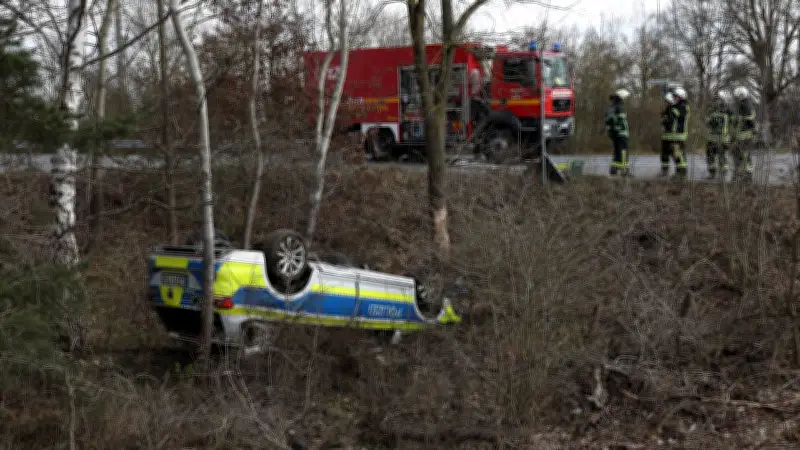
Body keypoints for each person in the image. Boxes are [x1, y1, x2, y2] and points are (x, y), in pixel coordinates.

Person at [660, 88, 690, 178]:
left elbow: (673, 116)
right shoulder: (673, 107)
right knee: (666, 154)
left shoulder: (683, 107)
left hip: (678, 136)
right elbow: (664, 119)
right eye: (673, 97)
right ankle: (666, 171)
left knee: (678, 155)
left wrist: (668, 111)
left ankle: (682, 172)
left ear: (681, 97)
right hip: (668, 136)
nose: (674, 98)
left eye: (676, 97)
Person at [705, 90, 733, 179]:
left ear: (723, 99)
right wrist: (710, 120)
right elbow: (707, 122)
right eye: (716, 99)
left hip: (723, 138)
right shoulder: (711, 110)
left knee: (722, 155)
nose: (717, 101)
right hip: (712, 137)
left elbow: (734, 122)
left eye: (719, 99)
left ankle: (723, 174)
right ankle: (712, 173)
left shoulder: (728, 110)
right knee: (710, 155)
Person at [731, 86, 757, 181]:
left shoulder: (745, 105)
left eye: (736, 97)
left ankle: (747, 175)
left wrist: (738, 120)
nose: (736, 99)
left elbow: (749, 119)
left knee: (744, 154)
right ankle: (742, 174)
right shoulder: (744, 104)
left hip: (745, 134)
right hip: (743, 134)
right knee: (739, 154)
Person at [605, 88, 631, 176]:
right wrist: (619, 129)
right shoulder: (620, 107)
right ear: (620, 98)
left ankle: (614, 169)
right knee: (623, 151)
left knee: (616, 151)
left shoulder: (609, 108)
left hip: (614, 134)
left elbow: (608, 122)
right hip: (622, 133)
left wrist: (611, 132)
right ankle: (624, 171)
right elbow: (621, 121)